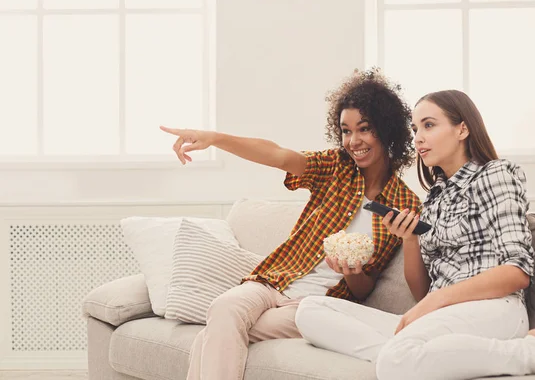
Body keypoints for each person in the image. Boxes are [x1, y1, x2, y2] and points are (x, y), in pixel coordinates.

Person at [294, 89, 535, 380]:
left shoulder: (495, 174)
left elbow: (516, 272)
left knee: (396, 361)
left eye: (429, 125)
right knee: (310, 311)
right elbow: (422, 292)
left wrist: (430, 305)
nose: (418, 137)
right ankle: (423, 356)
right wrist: (410, 240)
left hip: (492, 308)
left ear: (462, 129)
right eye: (415, 129)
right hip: (440, 315)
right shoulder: (434, 200)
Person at [160, 68, 422, 380]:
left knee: (210, 337)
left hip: (313, 306)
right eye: (345, 131)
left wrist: (353, 272)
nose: (353, 141)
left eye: (364, 129)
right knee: (223, 309)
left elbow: (363, 289)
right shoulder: (335, 168)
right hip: (273, 280)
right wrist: (214, 138)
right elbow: (279, 156)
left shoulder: (402, 205)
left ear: (386, 129)